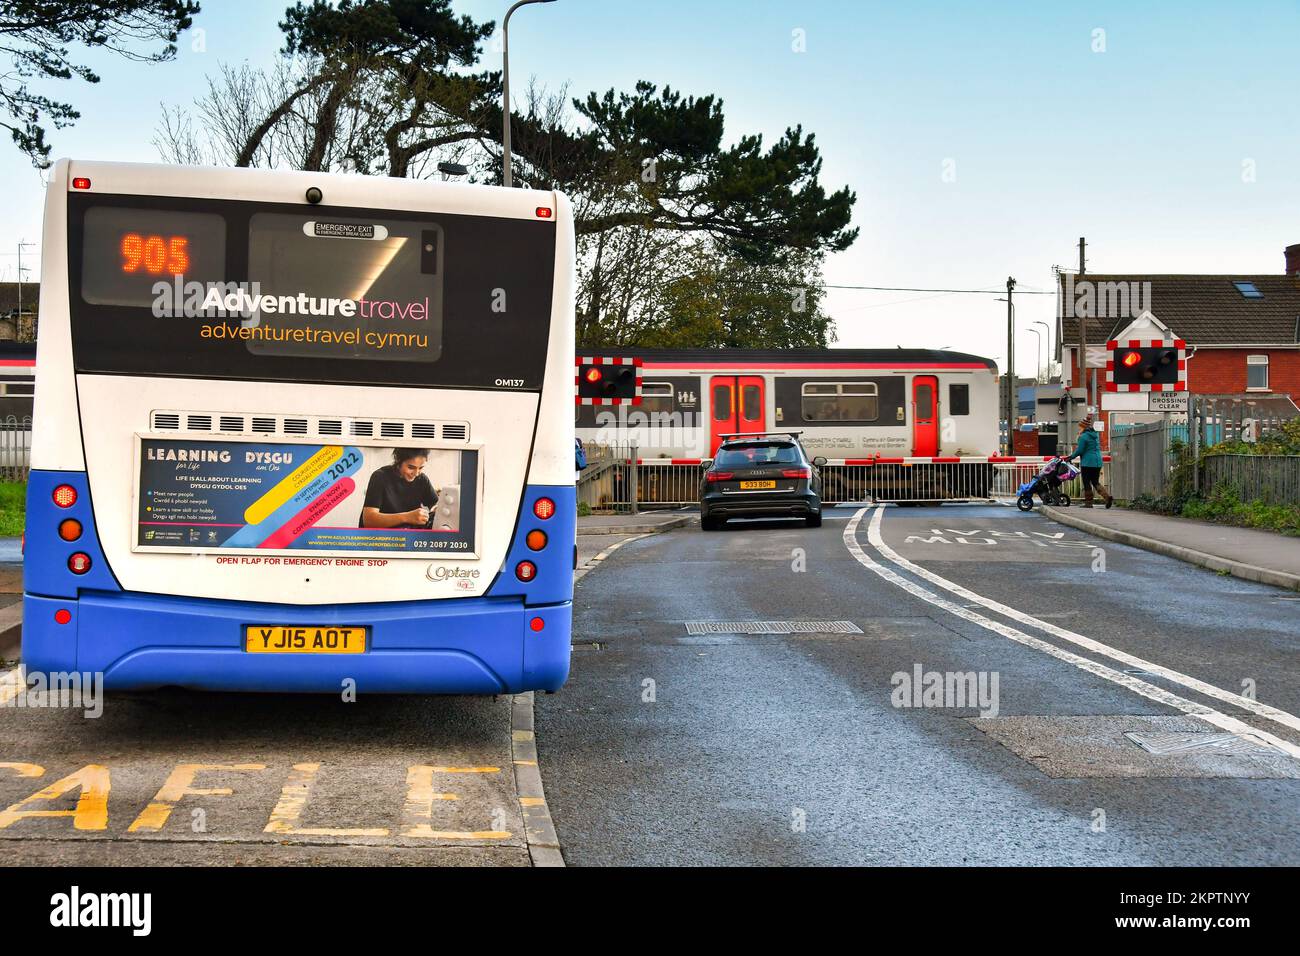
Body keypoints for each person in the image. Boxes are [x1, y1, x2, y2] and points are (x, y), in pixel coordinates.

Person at [360, 448, 438, 528]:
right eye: (411, 467)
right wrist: (407, 517)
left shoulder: (422, 479)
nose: (416, 473)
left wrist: (437, 509)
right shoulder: (380, 477)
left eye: (421, 468)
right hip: (381, 537)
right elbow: (369, 521)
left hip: (408, 536)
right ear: (398, 461)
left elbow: (435, 504)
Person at [1066, 416, 1112, 508]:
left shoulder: (1083, 437)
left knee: (1086, 482)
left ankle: (1088, 503)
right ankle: (1107, 497)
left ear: (1083, 427)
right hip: (1098, 461)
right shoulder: (1095, 435)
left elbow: (1080, 450)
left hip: (1087, 462)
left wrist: (1070, 457)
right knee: (1095, 482)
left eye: (1080, 427)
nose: (1079, 429)